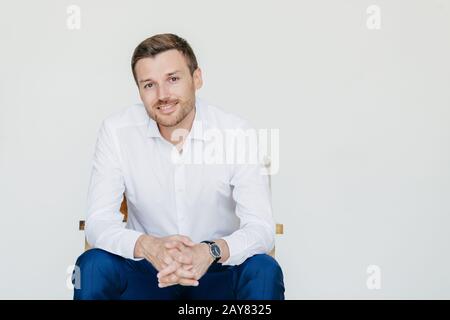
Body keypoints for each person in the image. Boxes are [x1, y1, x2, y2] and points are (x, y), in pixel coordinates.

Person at [73, 33, 285, 300]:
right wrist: (147, 246)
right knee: (93, 266)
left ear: (197, 78)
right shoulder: (117, 131)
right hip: (148, 274)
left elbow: (261, 228)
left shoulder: (235, 132)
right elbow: (98, 222)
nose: (163, 95)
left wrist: (210, 251)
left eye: (173, 79)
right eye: (149, 84)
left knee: (264, 269)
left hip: (217, 274)